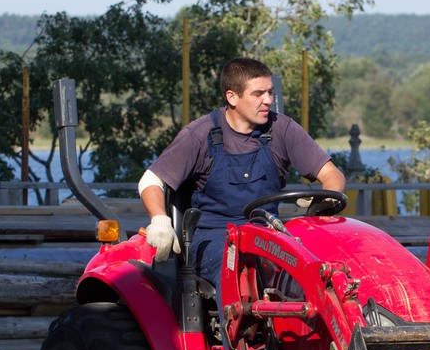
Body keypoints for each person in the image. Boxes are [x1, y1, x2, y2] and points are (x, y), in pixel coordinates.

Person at [138, 57, 345, 284]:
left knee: (322, 267)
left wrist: (327, 198)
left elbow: (331, 174)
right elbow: (151, 180)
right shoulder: (199, 135)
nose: (268, 100)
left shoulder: (282, 128)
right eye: (258, 94)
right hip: (215, 238)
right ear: (232, 97)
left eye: (270, 92)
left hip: (269, 234)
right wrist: (159, 220)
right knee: (239, 268)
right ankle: (237, 320)